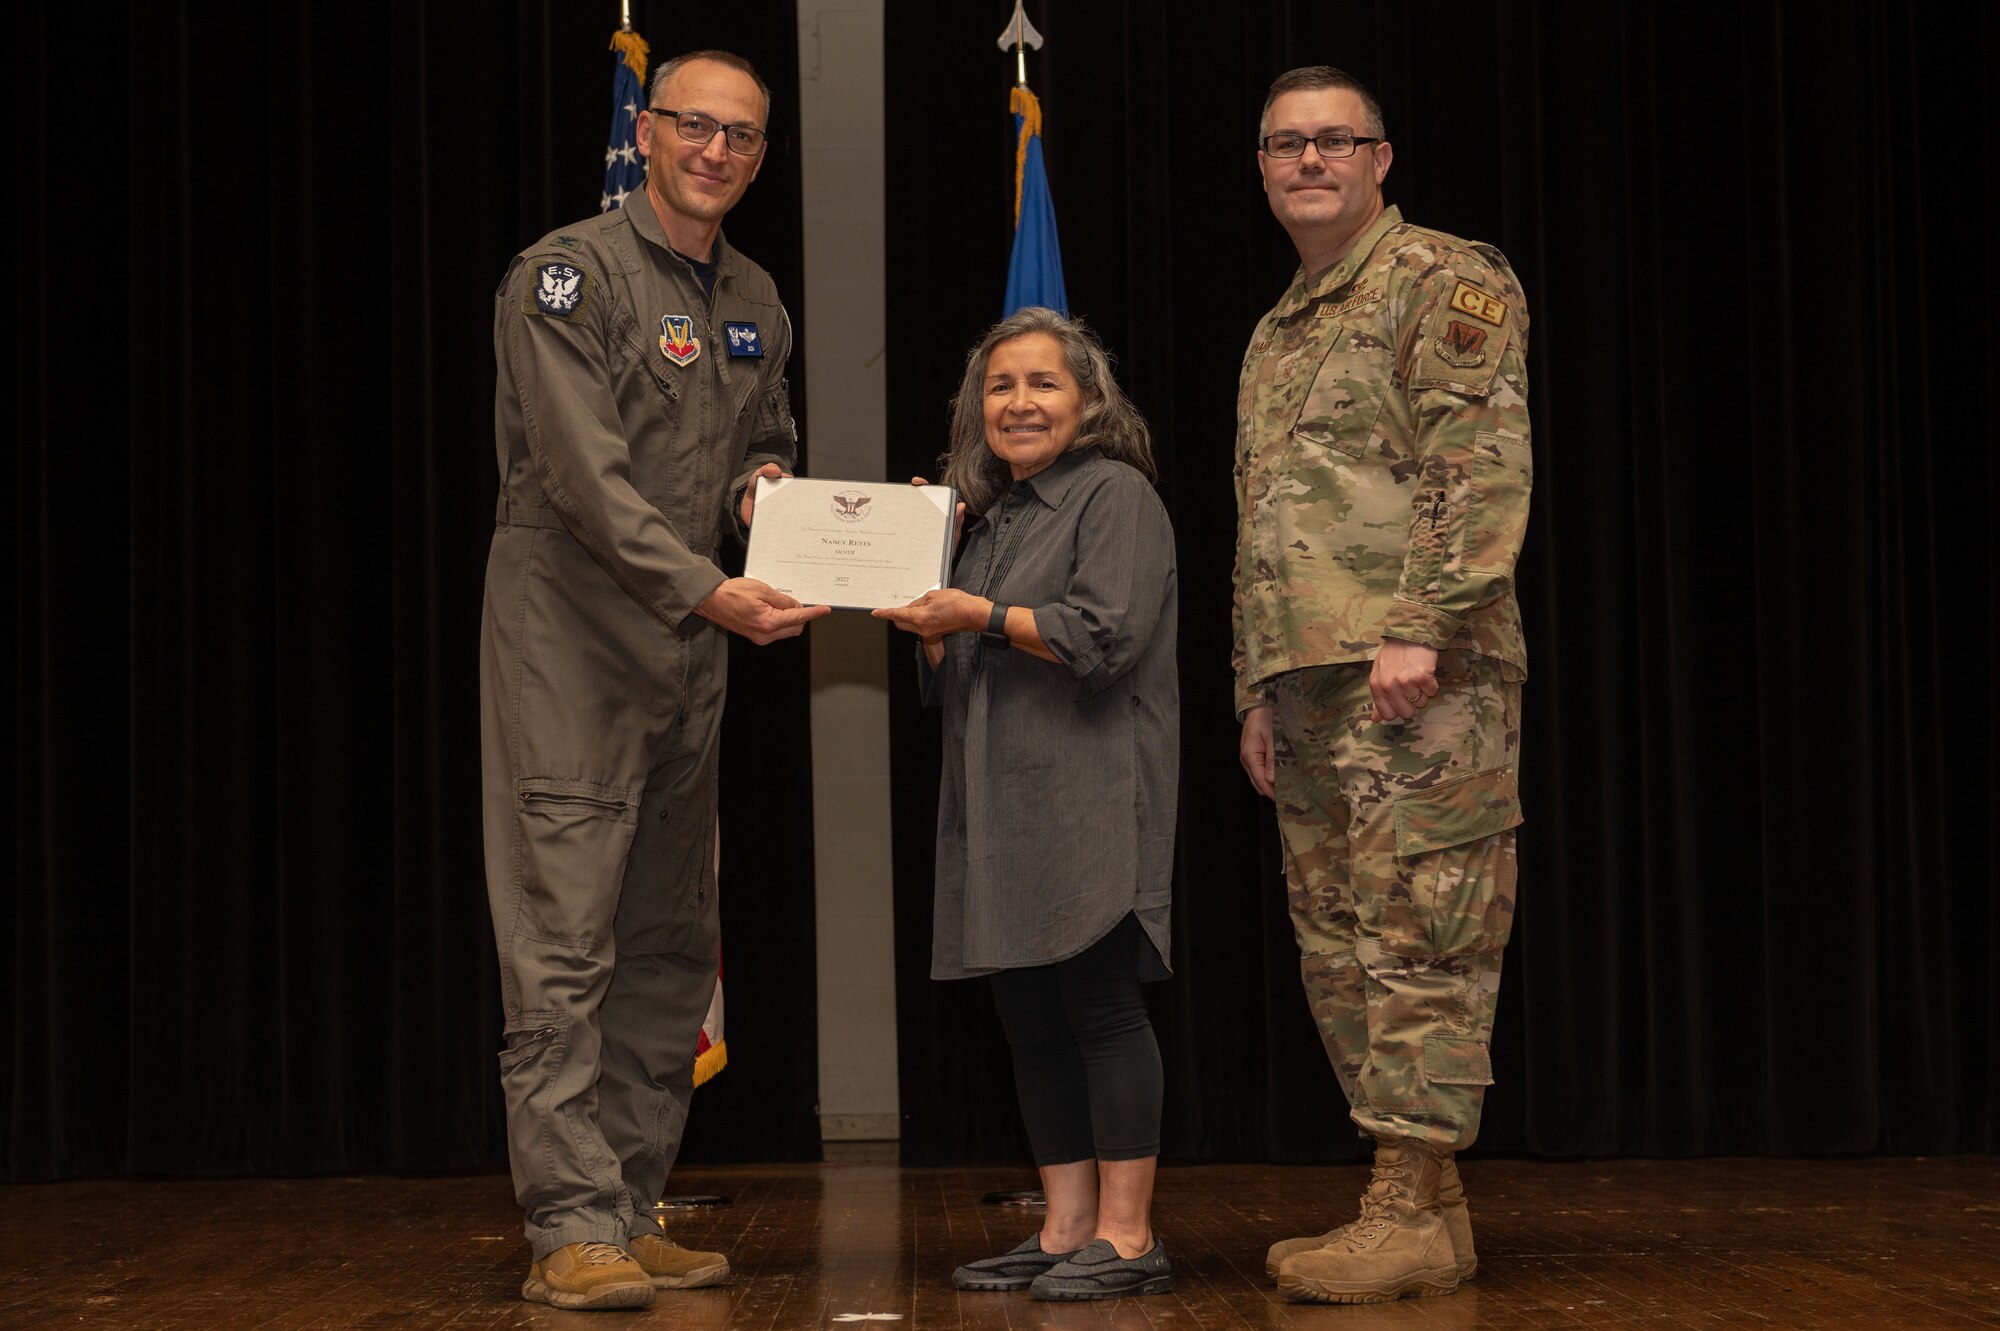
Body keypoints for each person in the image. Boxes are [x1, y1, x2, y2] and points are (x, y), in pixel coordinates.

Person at [480, 49, 828, 1312]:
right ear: (651, 129)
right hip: (572, 645)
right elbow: (582, 480)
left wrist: (769, 502)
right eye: (694, 125)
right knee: (565, 946)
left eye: (741, 135)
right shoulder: (564, 276)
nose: (716, 151)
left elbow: (765, 445)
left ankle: (627, 1207)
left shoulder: (755, 295)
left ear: (758, 155)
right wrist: (712, 586)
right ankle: (567, 1224)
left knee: (670, 945)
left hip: (689, 660)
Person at [1233, 66, 1533, 1305]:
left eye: (1332, 142)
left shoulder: (1443, 278)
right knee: (1341, 947)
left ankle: (1406, 1200)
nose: (1308, 161)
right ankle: (1425, 1209)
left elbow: (1475, 461)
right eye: (1284, 145)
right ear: (1261, 167)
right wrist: (1254, 681)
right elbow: (1264, 520)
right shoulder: (1278, 325)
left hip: (1419, 669)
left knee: (1421, 928)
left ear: (1379, 159)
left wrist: (1420, 625)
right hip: (1306, 680)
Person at [875, 308, 1179, 1302]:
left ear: (1087, 400)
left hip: (1088, 796)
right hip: (996, 804)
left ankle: (1128, 1236)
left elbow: (1103, 637)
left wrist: (970, 610)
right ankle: (1063, 1228)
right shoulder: (988, 514)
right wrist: (926, 601)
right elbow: (950, 668)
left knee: (1096, 1004)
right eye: (998, 387)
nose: (1017, 403)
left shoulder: (1114, 494)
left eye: (1041, 383)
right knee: (1029, 1018)